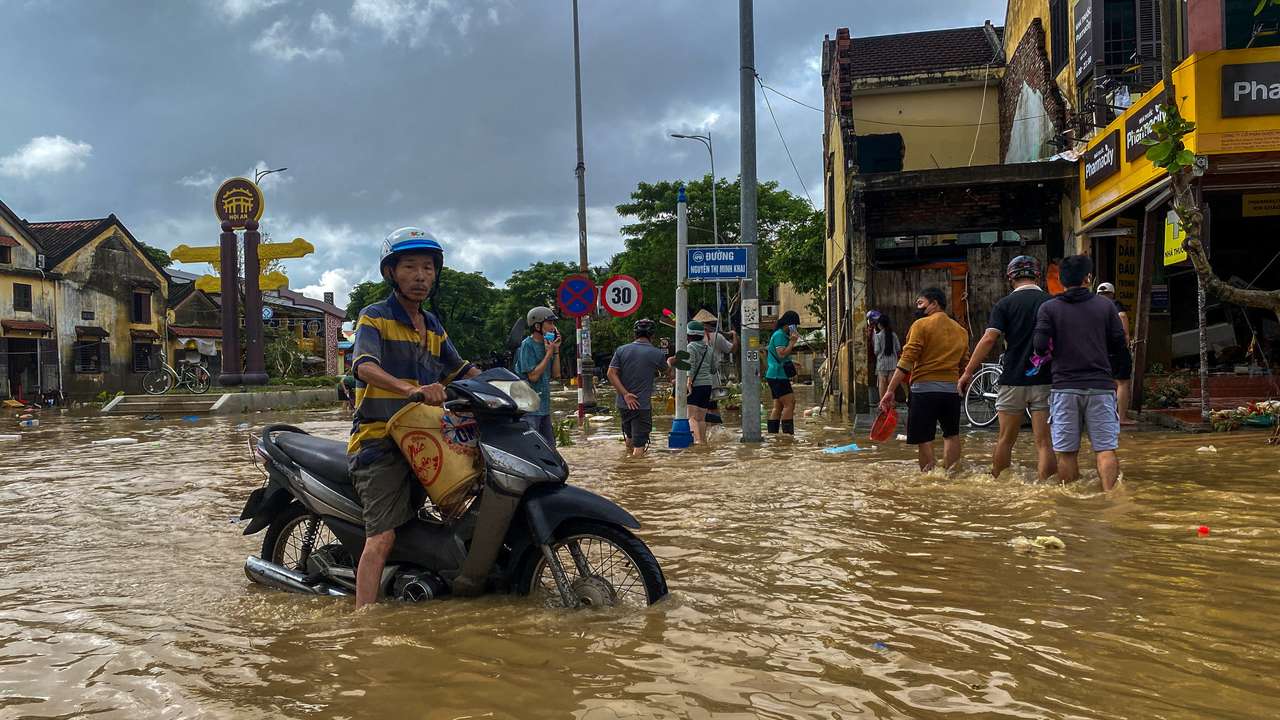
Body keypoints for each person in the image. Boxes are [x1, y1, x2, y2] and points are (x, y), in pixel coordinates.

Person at [348, 227, 482, 609]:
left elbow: (460, 369)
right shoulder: (373, 318)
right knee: (382, 538)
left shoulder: (434, 326)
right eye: (410, 267)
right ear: (391, 272)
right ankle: (364, 621)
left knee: (462, 502)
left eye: (428, 267)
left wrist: (507, 389)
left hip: (425, 436)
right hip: (379, 441)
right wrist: (408, 389)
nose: (421, 276)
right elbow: (364, 366)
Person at [1033, 255, 1128, 490]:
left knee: (1066, 453)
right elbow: (1119, 344)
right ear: (1088, 278)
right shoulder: (1105, 306)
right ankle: (1110, 499)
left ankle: (1070, 506)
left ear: (1061, 280)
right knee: (1105, 449)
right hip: (1100, 387)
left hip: (1064, 388)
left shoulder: (1049, 308)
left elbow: (1039, 346)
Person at [958, 256, 1057, 481]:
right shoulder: (1050, 303)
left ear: (1010, 278)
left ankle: (999, 486)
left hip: (1012, 379)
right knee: (1044, 442)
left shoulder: (1004, 305)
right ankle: (1047, 491)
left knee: (1005, 439)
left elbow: (988, 339)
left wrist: (967, 372)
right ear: (1037, 276)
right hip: (1045, 379)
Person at [879, 287, 969, 471]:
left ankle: (929, 479)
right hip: (950, 392)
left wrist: (889, 391)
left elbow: (905, 362)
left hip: (924, 391)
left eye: (921, 303)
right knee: (951, 435)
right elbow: (964, 365)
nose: (918, 308)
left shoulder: (921, 325)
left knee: (924, 438)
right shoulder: (961, 331)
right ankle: (951, 477)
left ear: (934, 303)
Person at [607, 318, 671, 456]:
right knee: (639, 445)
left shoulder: (621, 350)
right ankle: (637, 473)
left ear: (634, 334)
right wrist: (670, 362)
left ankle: (627, 468)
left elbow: (611, 373)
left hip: (623, 404)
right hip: (641, 406)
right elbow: (667, 372)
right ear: (652, 336)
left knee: (629, 438)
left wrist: (625, 394)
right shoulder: (657, 354)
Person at [514, 306, 561, 446]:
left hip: (544, 407)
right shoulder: (527, 345)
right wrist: (548, 354)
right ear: (537, 326)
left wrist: (556, 351)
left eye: (553, 323)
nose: (553, 327)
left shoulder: (548, 345)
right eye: (550, 323)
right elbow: (533, 376)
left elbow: (557, 374)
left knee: (550, 448)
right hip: (529, 409)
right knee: (534, 447)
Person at [1096, 282, 1135, 425]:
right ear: (1112, 294)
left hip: (1101, 349)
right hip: (1117, 349)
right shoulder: (1114, 304)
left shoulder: (1094, 306)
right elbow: (1123, 316)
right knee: (1122, 383)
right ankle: (1122, 417)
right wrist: (1126, 336)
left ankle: (1106, 417)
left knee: (1107, 383)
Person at [693, 308, 738, 425]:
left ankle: (702, 431)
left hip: (694, 378)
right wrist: (734, 335)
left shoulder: (690, 339)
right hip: (711, 378)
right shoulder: (718, 337)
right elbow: (733, 349)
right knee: (712, 406)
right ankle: (716, 430)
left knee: (696, 408)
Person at [765, 311, 801, 435]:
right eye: (794, 325)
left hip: (774, 375)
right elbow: (781, 354)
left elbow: (781, 355)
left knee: (778, 406)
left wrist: (792, 361)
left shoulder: (780, 335)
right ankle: (787, 437)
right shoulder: (780, 335)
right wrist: (792, 342)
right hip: (778, 375)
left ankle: (773, 435)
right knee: (790, 403)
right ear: (789, 325)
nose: (795, 328)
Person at [685, 320, 715, 443]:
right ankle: (703, 441)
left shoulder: (690, 347)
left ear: (689, 335)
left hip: (695, 385)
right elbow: (713, 369)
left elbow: (690, 365)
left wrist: (689, 381)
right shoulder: (709, 348)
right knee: (701, 418)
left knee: (691, 417)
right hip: (707, 385)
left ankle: (698, 442)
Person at [869, 310, 901, 403]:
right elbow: (898, 348)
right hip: (893, 363)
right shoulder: (893, 335)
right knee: (891, 384)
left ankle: (883, 403)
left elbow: (876, 351)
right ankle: (891, 403)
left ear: (880, 324)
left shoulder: (878, 336)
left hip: (882, 363)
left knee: (882, 383)